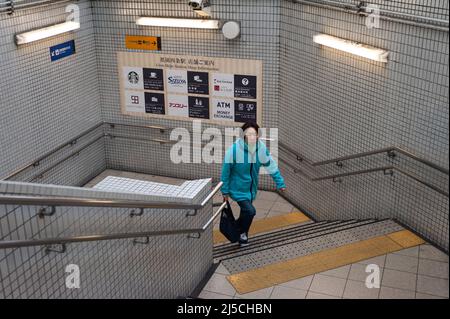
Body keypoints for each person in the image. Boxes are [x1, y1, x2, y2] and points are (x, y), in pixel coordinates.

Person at [220, 121, 286, 246]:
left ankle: (240, 232)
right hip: (238, 189)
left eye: (254, 134)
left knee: (246, 212)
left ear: (258, 135)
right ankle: (240, 232)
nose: (251, 137)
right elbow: (225, 171)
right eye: (248, 134)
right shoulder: (234, 150)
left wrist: (280, 183)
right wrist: (225, 190)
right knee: (250, 211)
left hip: (251, 190)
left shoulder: (261, 149)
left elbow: (271, 166)